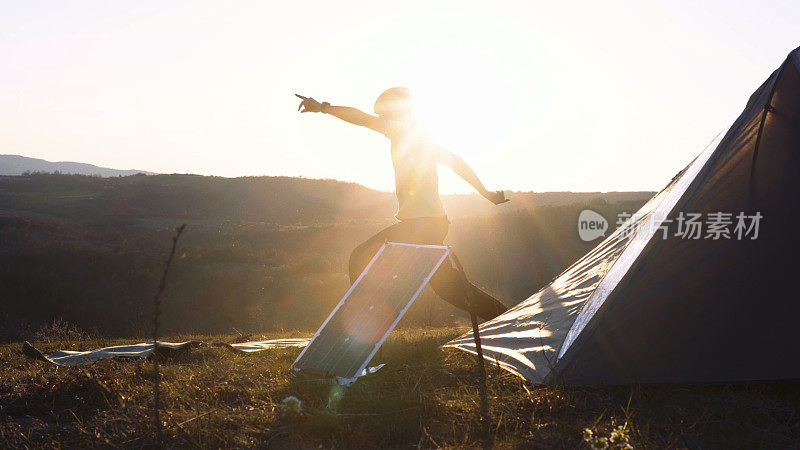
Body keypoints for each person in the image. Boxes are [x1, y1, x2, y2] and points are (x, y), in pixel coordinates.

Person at [296, 87, 509, 320]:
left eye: (383, 114)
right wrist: (486, 193)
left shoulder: (400, 130)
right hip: (433, 223)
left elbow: (361, 118)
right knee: (448, 288)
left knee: (362, 255)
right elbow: (455, 161)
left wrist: (323, 108)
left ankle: (362, 323)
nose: (381, 119)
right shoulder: (420, 135)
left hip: (422, 225)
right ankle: (506, 318)